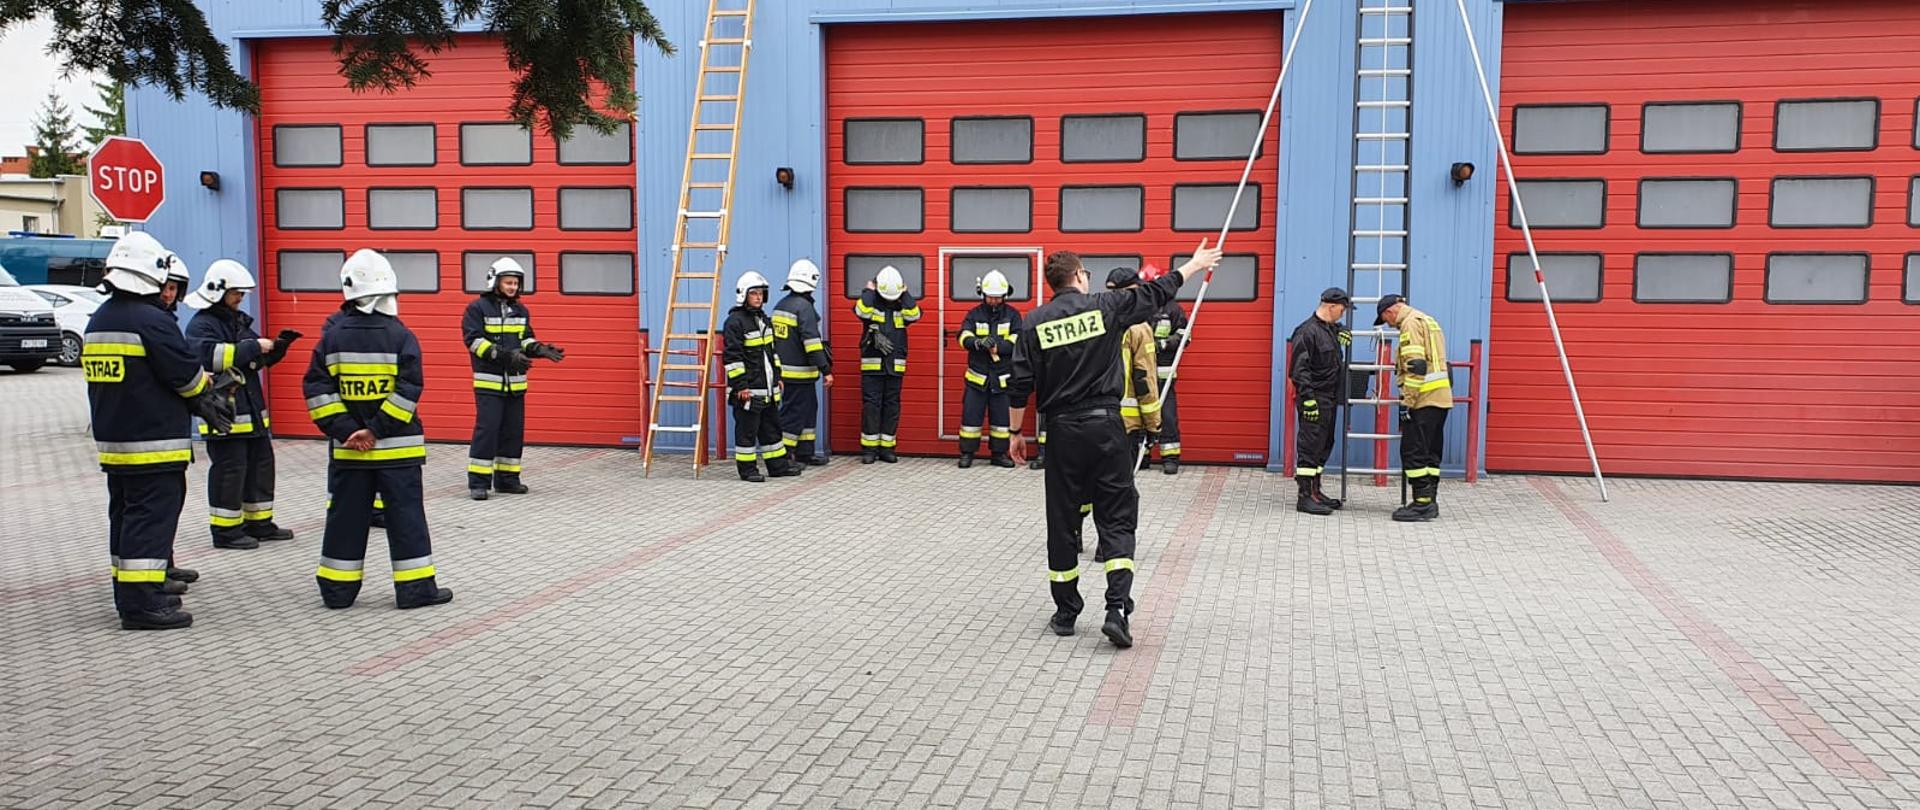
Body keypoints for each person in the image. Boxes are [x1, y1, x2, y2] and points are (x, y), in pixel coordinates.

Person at [1006, 243, 1222, 649]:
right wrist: (1194, 265)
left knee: (1064, 520)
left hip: (1062, 433)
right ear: (1080, 276)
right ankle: (1117, 607)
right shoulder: (1105, 308)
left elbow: (1019, 383)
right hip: (1108, 428)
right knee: (1117, 517)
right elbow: (1156, 292)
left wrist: (1015, 433)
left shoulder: (1033, 322)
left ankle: (1067, 611)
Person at [83, 231, 235, 630]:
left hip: (115, 443)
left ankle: (132, 586)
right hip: (154, 443)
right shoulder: (151, 321)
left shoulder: (100, 319)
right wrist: (207, 395)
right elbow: (185, 377)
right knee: (151, 521)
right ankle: (143, 604)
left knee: (126, 516)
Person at [303, 249, 452, 610]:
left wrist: (348, 431)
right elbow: (409, 390)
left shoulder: (331, 338)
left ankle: (337, 592)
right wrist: (375, 430)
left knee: (345, 521)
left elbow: (317, 390)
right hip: (397, 452)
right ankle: (415, 590)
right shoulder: (401, 336)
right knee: (406, 520)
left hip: (349, 453)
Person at [184, 259, 302, 548]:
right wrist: (252, 347)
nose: (240, 298)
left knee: (261, 466)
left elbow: (251, 360)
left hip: (250, 415)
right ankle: (226, 531)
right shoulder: (202, 324)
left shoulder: (236, 322)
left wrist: (275, 350)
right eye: (236, 293)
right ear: (218, 291)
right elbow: (208, 357)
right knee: (230, 471)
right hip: (224, 415)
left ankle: (259, 523)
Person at [462, 257, 565, 501]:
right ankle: (478, 483)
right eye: (508, 282)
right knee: (487, 431)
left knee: (512, 432)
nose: (512, 287)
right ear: (495, 282)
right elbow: (474, 342)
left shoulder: (521, 311)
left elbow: (525, 339)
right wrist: (505, 356)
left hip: (516, 384)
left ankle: (507, 480)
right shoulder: (477, 309)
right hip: (489, 383)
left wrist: (539, 349)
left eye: (516, 283)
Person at [1375, 294, 1452, 522]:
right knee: (1431, 452)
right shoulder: (1428, 320)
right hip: (1440, 397)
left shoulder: (1409, 324)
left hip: (1422, 399)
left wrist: (1407, 402)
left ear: (1390, 311)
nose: (1388, 324)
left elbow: (1416, 366)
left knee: (1413, 451)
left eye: (1385, 319)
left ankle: (1421, 503)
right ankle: (1430, 500)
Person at [724, 271, 802, 482]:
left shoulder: (763, 320)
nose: (759, 297)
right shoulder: (734, 322)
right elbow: (733, 359)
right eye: (754, 293)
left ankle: (778, 466)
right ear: (744, 295)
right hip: (748, 392)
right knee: (747, 433)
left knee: (772, 430)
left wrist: (777, 377)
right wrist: (741, 387)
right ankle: (748, 470)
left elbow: (772, 353)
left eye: (761, 294)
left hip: (767, 389)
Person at [1287, 287, 1352, 515]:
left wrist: (1341, 330)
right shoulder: (1307, 332)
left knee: (1324, 445)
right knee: (1310, 447)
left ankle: (1316, 491)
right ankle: (1304, 497)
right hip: (1314, 398)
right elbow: (1298, 370)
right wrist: (1308, 401)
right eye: (1342, 310)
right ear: (1331, 306)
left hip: (1330, 399)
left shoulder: (1329, 330)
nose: (1343, 314)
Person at [955, 269, 1022, 468]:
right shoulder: (974, 314)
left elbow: (1018, 340)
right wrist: (977, 343)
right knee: (970, 420)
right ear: (983, 295)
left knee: (1001, 421)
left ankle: (999, 455)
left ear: (1004, 295)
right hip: (977, 379)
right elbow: (962, 336)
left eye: (997, 297)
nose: (993, 301)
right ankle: (967, 453)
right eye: (990, 297)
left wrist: (997, 347)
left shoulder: (1013, 315)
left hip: (1001, 379)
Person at [854, 266, 920, 463]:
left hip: (895, 367)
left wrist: (905, 292)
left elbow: (915, 314)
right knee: (871, 407)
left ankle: (887, 448)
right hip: (872, 367)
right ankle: (869, 450)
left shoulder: (902, 307)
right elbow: (861, 310)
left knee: (892, 407)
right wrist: (868, 291)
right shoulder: (871, 303)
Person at [771, 259, 832, 466]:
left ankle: (805, 452)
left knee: (806, 411)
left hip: (785, 373)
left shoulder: (781, 306)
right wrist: (826, 369)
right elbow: (812, 344)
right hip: (800, 373)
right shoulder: (804, 308)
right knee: (794, 414)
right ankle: (785, 456)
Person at [1105, 268, 1163, 467]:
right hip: (1125, 423)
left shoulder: (1093, 319)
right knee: (1120, 489)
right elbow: (1144, 377)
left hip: (1090, 421)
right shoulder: (1139, 327)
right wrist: (1153, 424)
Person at [1148, 269, 1191, 475]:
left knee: (1167, 416)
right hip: (1140, 374)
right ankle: (1141, 454)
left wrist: (1162, 345)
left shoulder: (1174, 309)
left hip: (1164, 375)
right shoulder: (1139, 308)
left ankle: (1170, 457)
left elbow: (1184, 337)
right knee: (1138, 416)